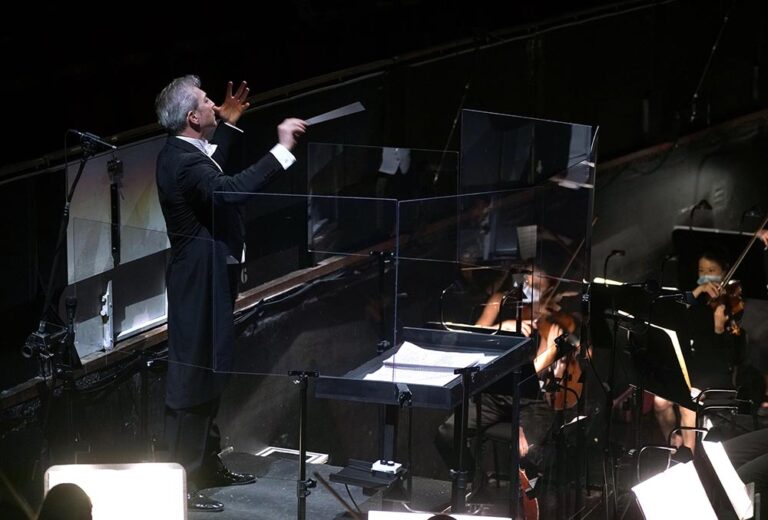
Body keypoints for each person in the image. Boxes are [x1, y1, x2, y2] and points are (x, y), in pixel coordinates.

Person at [154, 75, 306, 512]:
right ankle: (179, 479)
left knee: (213, 367)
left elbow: (213, 172)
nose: (215, 106)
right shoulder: (183, 161)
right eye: (208, 102)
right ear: (192, 117)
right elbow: (230, 190)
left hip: (210, 274)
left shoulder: (189, 152)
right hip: (195, 279)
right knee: (190, 376)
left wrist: (231, 128)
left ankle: (204, 465)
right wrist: (282, 150)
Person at [653, 248, 746, 451]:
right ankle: (674, 445)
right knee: (660, 401)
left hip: (716, 371)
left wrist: (719, 328)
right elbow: (675, 312)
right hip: (693, 366)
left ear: (724, 272)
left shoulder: (732, 302)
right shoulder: (697, 301)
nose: (706, 275)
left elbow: (733, 354)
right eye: (701, 270)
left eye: (711, 270)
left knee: (688, 402)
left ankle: (690, 457)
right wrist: (698, 290)